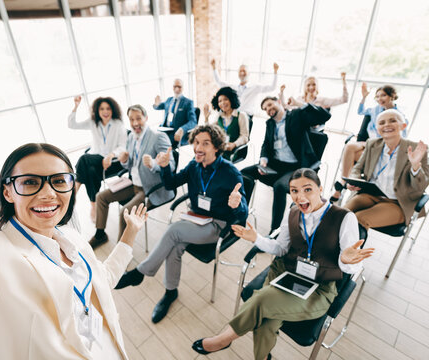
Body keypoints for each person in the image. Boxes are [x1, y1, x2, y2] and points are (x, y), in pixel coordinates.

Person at [0, 143, 148, 360]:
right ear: (7, 192)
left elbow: (102, 281)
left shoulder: (72, 238)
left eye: (59, 181)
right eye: (31, 182)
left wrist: (130, 233)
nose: (48, 193)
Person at [191, 168, 374, 360]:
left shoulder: (345, 218)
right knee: (267, 322)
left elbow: (350, 268)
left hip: (319, 288)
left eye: (307, 189)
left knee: (262, 300)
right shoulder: (293, 213)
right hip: (286, 274)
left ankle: (224, 338)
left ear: (320, 189)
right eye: (294, 191)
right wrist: (256, 238)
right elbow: (281, 248)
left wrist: (345, 260)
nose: (300, 196)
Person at [114, 124, 248, 324]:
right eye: (195, 142)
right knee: (174, 246)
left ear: (217, 147)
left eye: (205, 143)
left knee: (174, 230)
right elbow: (170, 184)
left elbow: (242, 214)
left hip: (217, 226)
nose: (198, 148)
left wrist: (237, 204)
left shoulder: (230, 173)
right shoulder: (194, 166)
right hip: (196, 219)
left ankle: (140, 272)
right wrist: (166, 166)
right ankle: (170, 292)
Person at [241, 96, 331, 232]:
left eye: (270, 105)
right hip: (276, 165)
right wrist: (263, 160)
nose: (268, 110)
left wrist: (300, 104)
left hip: (296, 167)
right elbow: (266, 144)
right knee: (244, 173)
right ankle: (242, 213)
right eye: (265, 109)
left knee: (279, 187)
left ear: (278, 102)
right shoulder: (270, 123)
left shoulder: (296, 115)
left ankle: (274, 230)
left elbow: (324, 116)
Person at [91, 104, 175, 248]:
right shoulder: (131, 137)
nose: (135, 123)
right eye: (131, 120)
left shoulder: (158, 137)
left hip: (150, 188)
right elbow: (130, 165)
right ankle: (100, 234)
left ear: (146, 118)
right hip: (133, 184)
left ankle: (119, 254)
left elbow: (171, 165)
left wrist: (154, 164)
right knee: (101, 197)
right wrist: (124, 161)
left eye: (138, 119)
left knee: (125, 212)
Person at [343, 109, 429, 232]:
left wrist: (415, 166)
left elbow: (421, 186)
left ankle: (349, 251)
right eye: (382, 123)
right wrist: (354, 180)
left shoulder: (416, 149)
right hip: (371, 194)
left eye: (392, 121)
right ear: (377, 128)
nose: (386, 125)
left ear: (403, 126)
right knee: (341, 215)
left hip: (397, 203)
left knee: (359, 219)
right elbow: (357, 168)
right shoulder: (372, 144)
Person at [331, 84, 406, 203]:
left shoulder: (398, 115)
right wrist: (364, 97)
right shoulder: (376, 109)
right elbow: (360, 111)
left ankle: (342, 188)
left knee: (353, 154)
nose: (380, 99)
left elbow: (402, 137)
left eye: (383, 95)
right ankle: (344, 181)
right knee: (350, 146)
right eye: (377, 96)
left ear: (392, 96)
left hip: (382, 146)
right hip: (369, 143)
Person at [68, 96, 127, 223]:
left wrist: (111, 155)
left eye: (108, 108)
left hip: (112, 162)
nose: (105, 112)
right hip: (95, 160)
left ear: (113, 110)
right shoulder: (93, 122)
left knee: (84, 159)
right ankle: (93, 205)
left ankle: (73, 193)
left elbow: (123, 146)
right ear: (97, 110)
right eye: (102, 109)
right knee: (90, 171)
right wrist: (76, 106)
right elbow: (72, 125)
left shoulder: (118, 125)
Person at [211, 59, 279, 116]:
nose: (242, 73)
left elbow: (272, 87)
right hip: (235, 115)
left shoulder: (255, 87)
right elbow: (219, 82)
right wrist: (214, 68)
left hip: (247, 115)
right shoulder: (233, 87)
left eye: (244, 71)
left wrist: (275, 72)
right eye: (240, 71)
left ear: (249, 73)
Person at [203, 86, 249, 160]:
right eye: (219, 101)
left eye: (225, 99)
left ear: (231, 99)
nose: (222, 103)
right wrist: (206, 118)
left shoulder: (241, 115)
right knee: (200, 156)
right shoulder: (220, 116)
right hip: (220, 149)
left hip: (233, 151)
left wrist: (234, 144)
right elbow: (209, 132)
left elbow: (245, 136)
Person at [153, 78, 198, 147]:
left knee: (159, 144)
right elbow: (158, 106)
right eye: (175, 86)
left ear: (182, 88)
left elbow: (193, 121)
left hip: (176, 133)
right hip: (165, 130)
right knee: (153, 140)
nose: (177, 89)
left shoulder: (188, 102)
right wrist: (156, 104)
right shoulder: (169, 100)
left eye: (179, 87)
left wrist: (182, 129)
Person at [280, 73, 348, 110]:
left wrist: (344, 82)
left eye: (314, 85)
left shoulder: (321, 100)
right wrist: (282, 93)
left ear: (317, 86)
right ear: (305, 87)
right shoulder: (300, 99)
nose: (311, 87)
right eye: (308, 85)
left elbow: (344, 100)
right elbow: (286, 107)